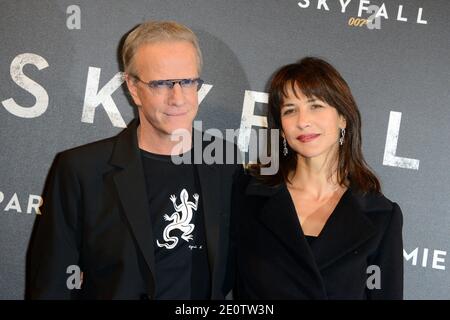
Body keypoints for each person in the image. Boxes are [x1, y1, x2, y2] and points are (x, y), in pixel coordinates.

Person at [27, 20, 240, 299]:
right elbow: (51, 285)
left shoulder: (227, 163)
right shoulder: (81, 169)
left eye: (187, 81)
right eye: (162, 84)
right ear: (134, 88)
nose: (177, 98)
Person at [232, 57, 403, 299]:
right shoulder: (247, 193)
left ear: (342, 117)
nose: (303, 121)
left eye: (315, 106)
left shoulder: (381, 217)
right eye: (290, 110)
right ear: (281, 129)